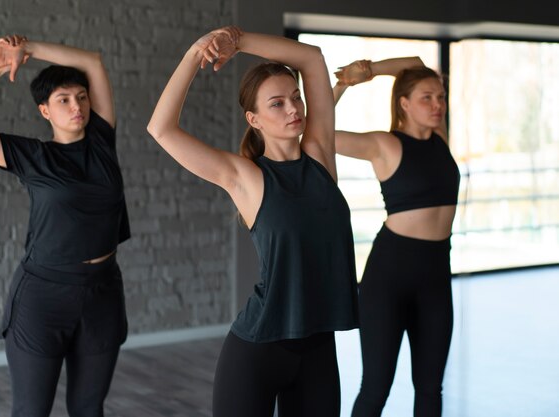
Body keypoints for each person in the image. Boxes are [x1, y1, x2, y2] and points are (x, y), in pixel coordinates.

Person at [147, 26, 359, 417]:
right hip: (258, 349)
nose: (294, 109)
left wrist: (238, 40)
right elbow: (161, 129)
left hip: (318, 349)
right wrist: (198, 51)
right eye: (276, 104)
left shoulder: (320, 157)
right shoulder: (245, 176)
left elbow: (311, 57)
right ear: (254, 119)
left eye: (295, 97)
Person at [0, 35, 129, 417]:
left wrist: (27, 48)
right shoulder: (33, 157)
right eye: (63, 100)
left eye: (81, 96)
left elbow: (93, 59)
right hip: (43, 297)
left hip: (103, 292)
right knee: (31, 410)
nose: (76, 106)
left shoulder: (102, 142)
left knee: (89, 408)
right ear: (44, 111)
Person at [333, 57, 460, 417]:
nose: (437, 105)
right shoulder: (383, 145)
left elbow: (416, 64)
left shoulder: (440, 137)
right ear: (404, 103)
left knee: (430, 388)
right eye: (426, 98)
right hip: (389, 279)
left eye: (441, 97)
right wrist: (346, 83)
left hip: (436, 277)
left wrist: (373, 69)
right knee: (376, 388)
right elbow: (314, 130)